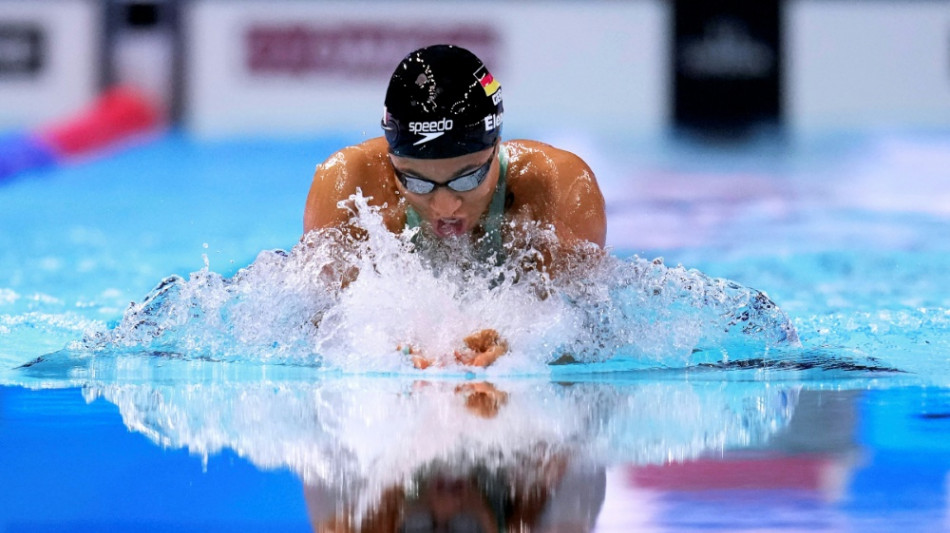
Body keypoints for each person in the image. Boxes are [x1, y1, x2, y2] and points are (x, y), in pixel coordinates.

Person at [303, 44, 606, 368]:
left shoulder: (557, 188)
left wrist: (518, 349)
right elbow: (322, 329)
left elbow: (583, 333)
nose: (446, 206)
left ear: (496, 147)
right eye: (416, 182)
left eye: (467, 179)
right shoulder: (351, 188)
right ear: (392, 160)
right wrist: (380, 348)